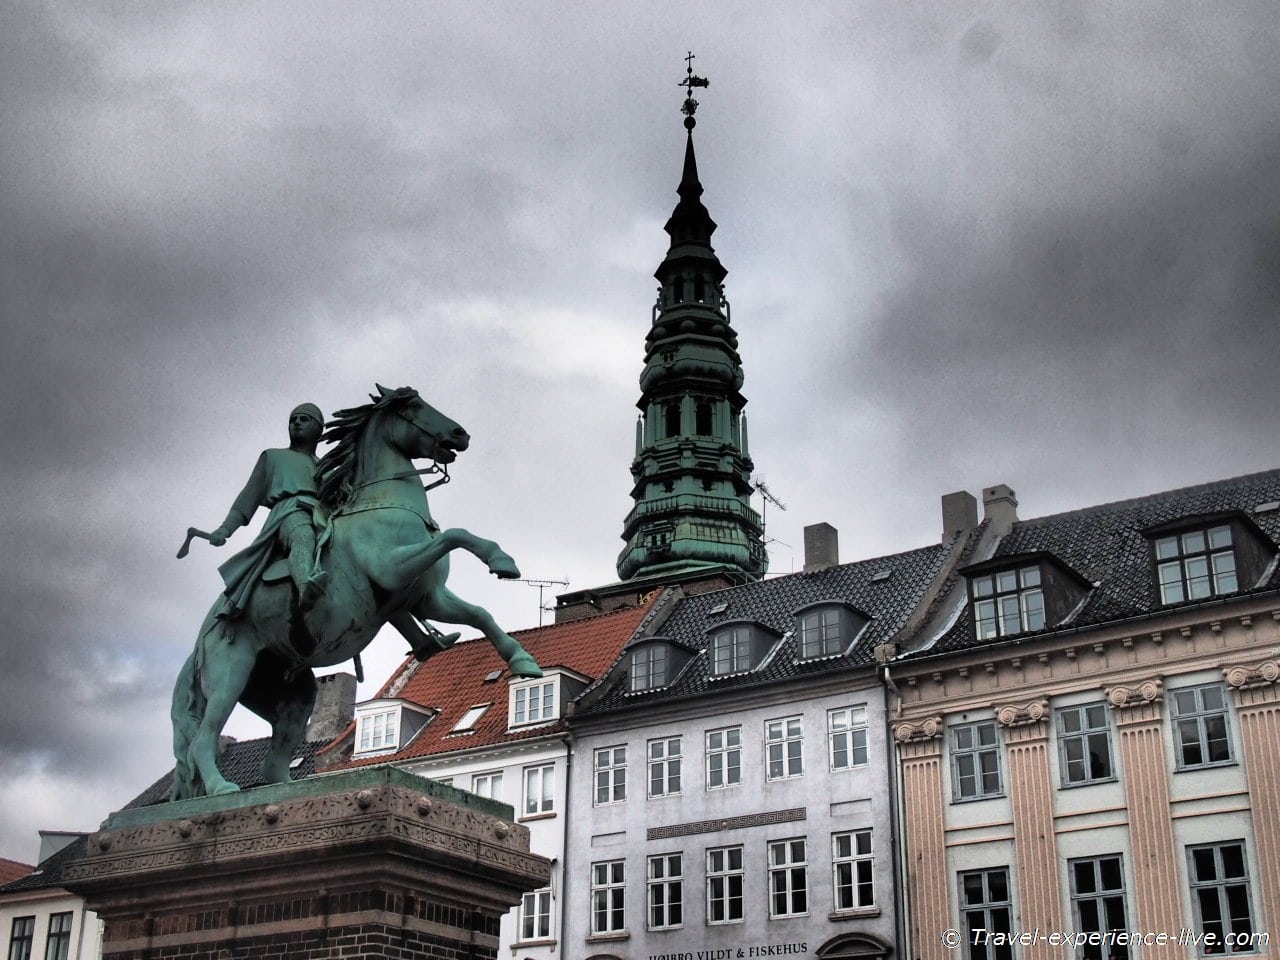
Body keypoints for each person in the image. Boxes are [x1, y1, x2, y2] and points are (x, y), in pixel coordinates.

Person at [207, 403, 328, 614]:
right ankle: (306, 586)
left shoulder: (326, 466)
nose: (296, 423)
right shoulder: (272, 457)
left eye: (304, 419)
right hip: (290, 512)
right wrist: (225, 529)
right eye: (293, 419)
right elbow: (247, 498)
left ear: (319, 429)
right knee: (302, 535)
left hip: (324, 516)